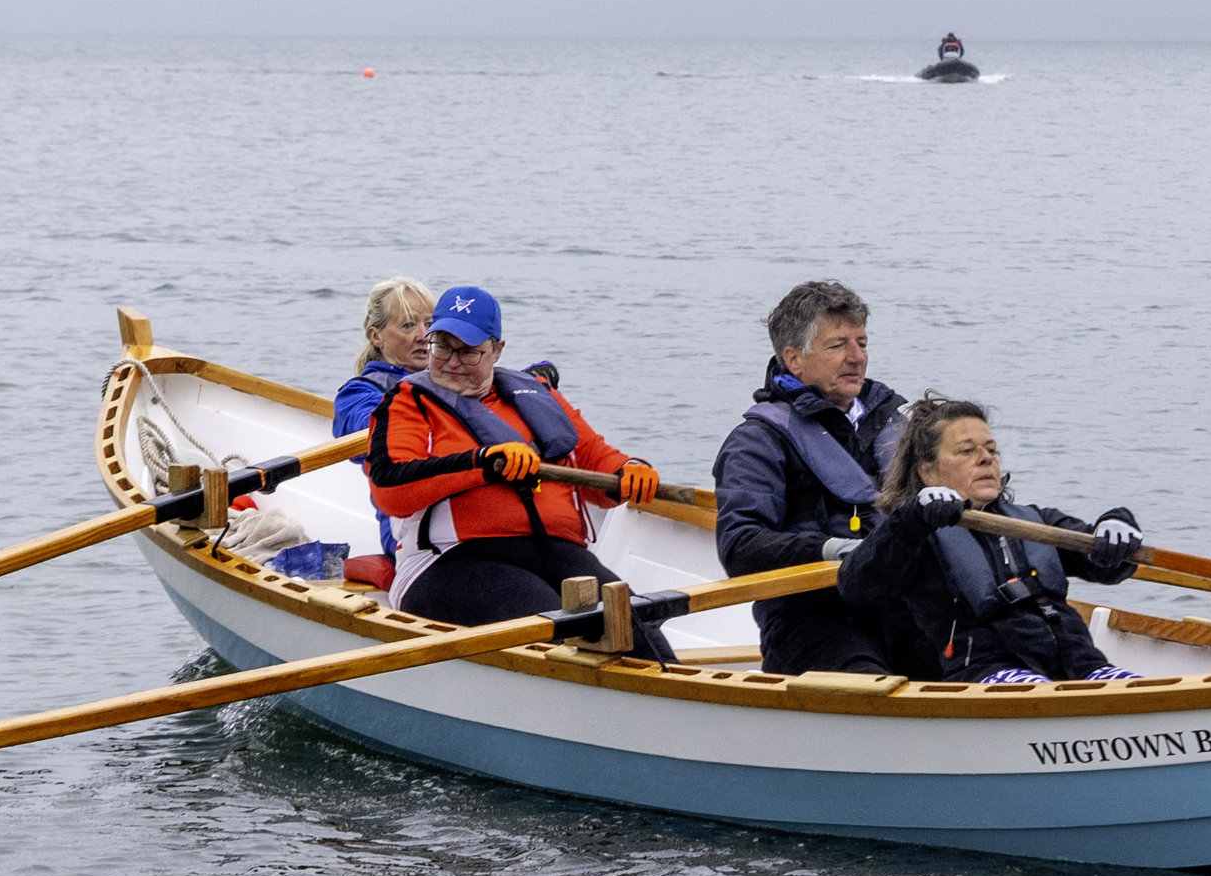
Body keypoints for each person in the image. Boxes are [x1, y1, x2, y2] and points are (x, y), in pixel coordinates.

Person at [366, 283, 673, 658]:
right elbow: (390, 488)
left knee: (635, 625)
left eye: (468, 352)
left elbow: (593, 456)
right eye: (442, 347)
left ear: (497, 349)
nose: (451, 362)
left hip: (552, 551)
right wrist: (483, 464)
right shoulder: (407, 402)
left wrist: (630, 470)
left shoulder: (536, 394)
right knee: (555, 624)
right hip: (448, 560)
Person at [838, 397, 1145, 684]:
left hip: (1082, 665)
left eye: (991, 449)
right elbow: (857, 585)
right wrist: (911, 519)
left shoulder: (1034, 519)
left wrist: (1117, 525)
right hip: (988, 673)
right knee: (1036, 688)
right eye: (967, 451)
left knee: (1133, 687)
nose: (986, 459)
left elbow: (1105, 565)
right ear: (928, 472)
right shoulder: (912, 535)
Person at [712, 279, 911, 674]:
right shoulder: (758, 442)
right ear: (794, 359)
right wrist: (829, 550)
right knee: (871, 683)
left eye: (862, 343)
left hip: (905, 609)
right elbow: (740, 547)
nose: (856, 357)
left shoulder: (899, 426)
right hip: (814, 619)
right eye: (838, 345)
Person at [331, 277, 433, 566]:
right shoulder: (358, 393)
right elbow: (367, 426)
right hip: (404, 531)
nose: (424, 336)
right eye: (409, 325)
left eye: (430, 324)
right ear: (377, 336)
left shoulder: (457, 379)